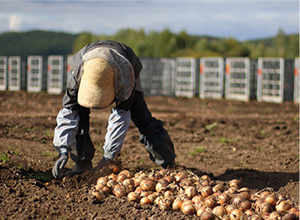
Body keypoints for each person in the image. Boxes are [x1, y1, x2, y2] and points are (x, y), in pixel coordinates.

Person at [52, 40, 176, 179]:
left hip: (126, 65)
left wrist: (109, 157)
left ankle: (168, 162)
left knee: (141, 116)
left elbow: (120, 117)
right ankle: (82, 163)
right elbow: (68, 113)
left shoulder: (126, 76)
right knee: (79, 114)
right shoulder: (77, 76)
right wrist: (62, 150)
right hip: (89, 61)